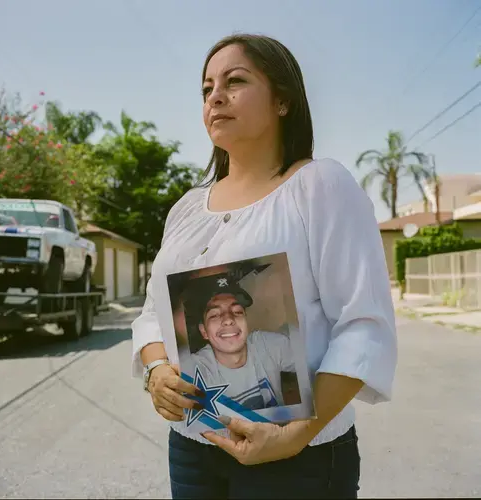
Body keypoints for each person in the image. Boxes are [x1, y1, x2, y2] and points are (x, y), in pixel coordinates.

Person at [131, 33, 397, 499]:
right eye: (207, 87)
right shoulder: (186, 208)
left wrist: (293, 435)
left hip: (299, 458)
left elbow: (363, 324)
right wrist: (157, 373)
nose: (216, 96)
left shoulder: (320, 186)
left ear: (282, 101)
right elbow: (153, 314)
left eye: (235, 81)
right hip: (193, 450)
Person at [182, 272, 297, 411]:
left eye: (237, 311)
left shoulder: (266, 345)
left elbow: (314, 354)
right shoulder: (196, 368)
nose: (229, 319)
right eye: (215, 315)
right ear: (204, 331)